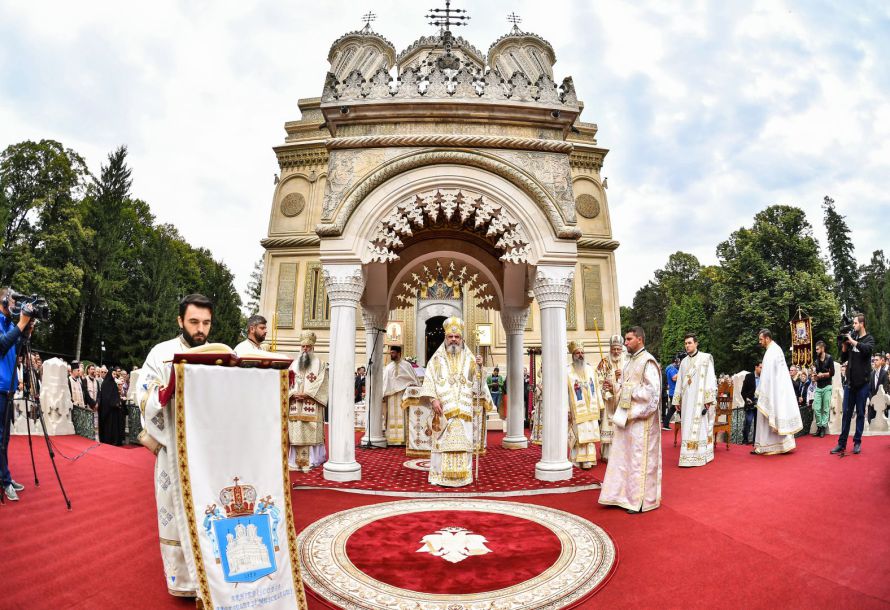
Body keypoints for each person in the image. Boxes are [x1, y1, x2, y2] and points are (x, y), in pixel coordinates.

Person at [135, 293, 213, 598]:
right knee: (174, 512)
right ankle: (183, 583)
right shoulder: (161, 353)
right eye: (194, 322)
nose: (200, 329)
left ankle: (211, 578)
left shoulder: (218, 353)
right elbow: (142, 394)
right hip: (173, 452)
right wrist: (164, 392)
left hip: (208, 453)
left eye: (206, 323)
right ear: (180, 320)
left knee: (208, 512)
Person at [419, 317, 494, 487]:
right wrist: (433, 399)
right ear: (445, 338)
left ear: (462, 339)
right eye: (450, 336)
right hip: (443, 410)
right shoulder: (436, 360)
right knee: (442, 445)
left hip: (464, 411)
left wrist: (480, 369)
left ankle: (463, 477)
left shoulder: (471, 359)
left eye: (457, 337)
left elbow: (478, 388)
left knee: (463, 443)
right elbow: (429, 381)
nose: (453, 339)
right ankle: (439, 476)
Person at [599, 326, 662, 513]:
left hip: (641, 421)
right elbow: (625, 386)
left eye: (628, 339)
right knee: (623, 458)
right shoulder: (629, 362)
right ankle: (620, 495)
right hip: (626, 418)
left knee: (637, 460)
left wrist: (626, 390)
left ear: (639, 339)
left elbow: (652, 393)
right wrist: (616, 386)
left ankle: (639, 500)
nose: (625, 343)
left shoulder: (648, 362)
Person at [0, 290, 34, 502]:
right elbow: (2, 346)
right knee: (0, 437)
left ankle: (5, 476)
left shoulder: (12, 325)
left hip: (9, 388)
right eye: (14, 300)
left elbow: (16, 350)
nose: (16, 304)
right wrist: (21, 324)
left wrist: (26, 331)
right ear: (3, 300)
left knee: (5, 437)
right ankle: (5, 480)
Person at [752, 329, 802, 455]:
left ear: (767, 338)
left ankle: (766, 445)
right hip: (779, 389)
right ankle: (782, 445)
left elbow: (767, 376)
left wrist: (761, 391)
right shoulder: (777, 349)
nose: (760, 342)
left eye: (761, 339)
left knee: (766, 416)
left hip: (772, 390)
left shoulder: (771, 352)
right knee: (778, 415)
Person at [831, 313, 874, 455]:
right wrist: (845, 345)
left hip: (863, 384)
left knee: (861, 414)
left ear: (861, 324)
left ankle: (857, 442)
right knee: (846, 415)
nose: (854, 325)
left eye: (855, 323)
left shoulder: (869, 339)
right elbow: (843, 358)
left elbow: (867, 350)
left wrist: (853, 342)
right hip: (849, 384)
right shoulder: (852, 338)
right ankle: (841, 444)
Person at [672, 333, 717, 467]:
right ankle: (687, 457)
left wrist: (708, 399)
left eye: (690, 343)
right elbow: (680, 381)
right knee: (687, 426)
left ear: (696, 343)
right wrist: (676, 401)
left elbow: (710, 377)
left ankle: (702, 455)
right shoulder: (684, 362)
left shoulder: (705, 358)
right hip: (686, 401)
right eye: (686, 343)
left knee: (700, 427)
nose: (687, 345)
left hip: (699, 400)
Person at [287, 331, 328, 472]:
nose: (305, 349)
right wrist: (292, 394)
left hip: (311, 404)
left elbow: (322, 382)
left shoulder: (320, 364)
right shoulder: (293, 364)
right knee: (296, 432)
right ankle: (295, 461)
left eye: (308, 346)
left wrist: (307, 394)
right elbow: (287, 382)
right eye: (303, 346)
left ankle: (313, 460)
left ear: (313, 347)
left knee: (309, 431)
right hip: (295, 405)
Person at [566, 341, 602, 469]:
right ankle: (576, 459)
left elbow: (596, 387)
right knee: (578, 433)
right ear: (573, 355)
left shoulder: (591, 369)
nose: (580, 355)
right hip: (576, 409)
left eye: (582, 352)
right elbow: (564, 392)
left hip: (591, 408)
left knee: (590, 433)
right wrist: (567, 409)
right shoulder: (567, 371)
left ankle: (589, 460)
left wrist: (600, 405)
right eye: (577, 353)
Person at [598, 334, 628, 461]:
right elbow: (598, 379)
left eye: (618, 349)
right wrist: (607, 383)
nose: (616, 351)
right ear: (610, 348)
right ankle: (607, 455)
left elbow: (633, 379)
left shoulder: (627, 361)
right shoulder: (604, 362)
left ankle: (622, 454)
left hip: (622, 399)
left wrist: (623, 375)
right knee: (607, 424)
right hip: (609, 400)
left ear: (622, 349)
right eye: (613, 348)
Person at [381, 345, 419, 446]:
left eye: (393, 353)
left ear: (399, 353)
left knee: (403, 417)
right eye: (391, 353)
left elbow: (414, 380)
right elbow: (385, 382)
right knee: (391, 417)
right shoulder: (388, 367)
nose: (391, 355)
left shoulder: (407, 365)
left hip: (403, 396)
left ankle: (404, 440)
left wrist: (409, 385)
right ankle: (391, 440)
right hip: (391, 396)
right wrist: (384, 393)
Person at [98, 362, 125, 446]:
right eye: (113, 374)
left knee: (114, 426)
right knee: (108, 426)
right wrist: (113, 403)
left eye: (115, 374)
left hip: (114, 409)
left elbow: (115, 395)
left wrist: (118, 402)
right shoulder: (105, 384)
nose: (114, 375)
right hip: (107, 410)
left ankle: (115, 440)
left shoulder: (113, 383)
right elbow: (105, 397)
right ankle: (108, 440)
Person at [811, 341, 834, 437]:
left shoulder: (829, 358)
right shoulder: (816, 360)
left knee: (825, 408)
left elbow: (832, 373)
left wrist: (822, 375)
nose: (816, 351)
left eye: (817, 349)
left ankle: (823, 427)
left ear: (822, 349)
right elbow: (815, 375)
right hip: (819, 387)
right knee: (816, 408)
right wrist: (814, 376)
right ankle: (819, 426)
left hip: (827, 386)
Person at [740, 362, 762, 444]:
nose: (762, 369)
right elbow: (743, 391)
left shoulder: (764, 378)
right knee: (748, 422)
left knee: (758, 424)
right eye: (760, 367)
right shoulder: (749, 376)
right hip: (750, 404)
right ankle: (745, 440)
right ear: (756, 367)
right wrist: (747, 399)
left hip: (760, 405)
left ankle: (755, 441)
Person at [867, 354, 888, 422]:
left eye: (877, 360)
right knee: (871, 423)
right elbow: (869, 389)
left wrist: (878, 400)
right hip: (872, 404)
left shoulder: (884, 373)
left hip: (881, 404)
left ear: (881, 361)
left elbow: (885, 388)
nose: (875, 361)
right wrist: (872, 399)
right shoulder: (871, 374)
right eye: (874, 360)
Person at [662, 354, 681, 431]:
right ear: (675, 361)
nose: (679, 363)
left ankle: (666, 424)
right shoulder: (672, 369)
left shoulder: (671, 369)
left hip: (673, 392)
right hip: (674, 392)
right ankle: (666, 424)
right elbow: (674, 378)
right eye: (679, 362)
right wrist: (682, 373)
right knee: (677, 409)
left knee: (673, 409)